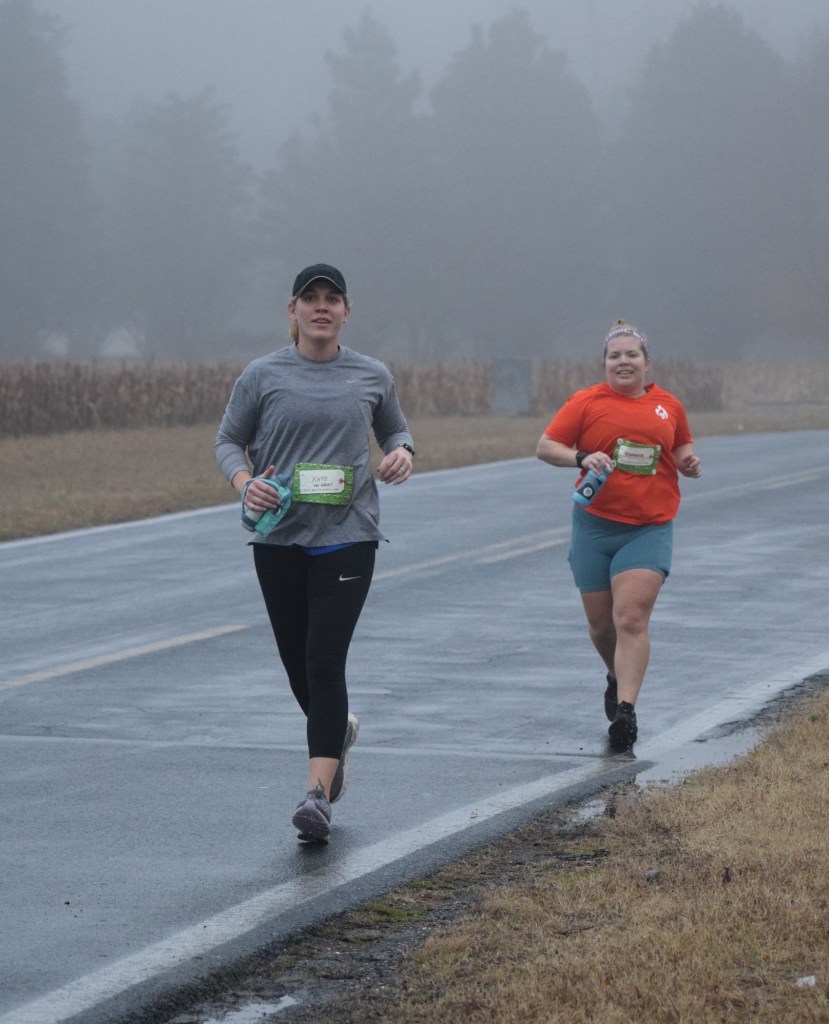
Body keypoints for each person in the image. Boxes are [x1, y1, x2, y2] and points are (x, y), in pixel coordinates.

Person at [215, 264, 414, 841]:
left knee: (325, 661)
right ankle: (337, 733)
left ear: (346, 312)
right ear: (293, 310)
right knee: (298, 663)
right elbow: (228, 441)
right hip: (278, 535)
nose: (321, 307)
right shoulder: (262, 374)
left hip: (348, 536)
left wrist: (403, 452)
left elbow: (396, 431)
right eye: (310, 298)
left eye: (332, 299)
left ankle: (317, 797)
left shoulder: (372, 374)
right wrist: (245, 483)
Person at [535, 320, 701, 749]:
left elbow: (681, 447)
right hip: (594, 526)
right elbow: (545, 447)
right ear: (605, 363)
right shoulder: (587, 402)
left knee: (630, 618)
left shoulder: (668, 406)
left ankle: (626, 711)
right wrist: (581, 457)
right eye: (614, 356)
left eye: (631, 355)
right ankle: (615, 674)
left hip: (648, 527)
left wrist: (688, 463)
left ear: (646, 362)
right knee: (600, 626)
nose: (623, 362)